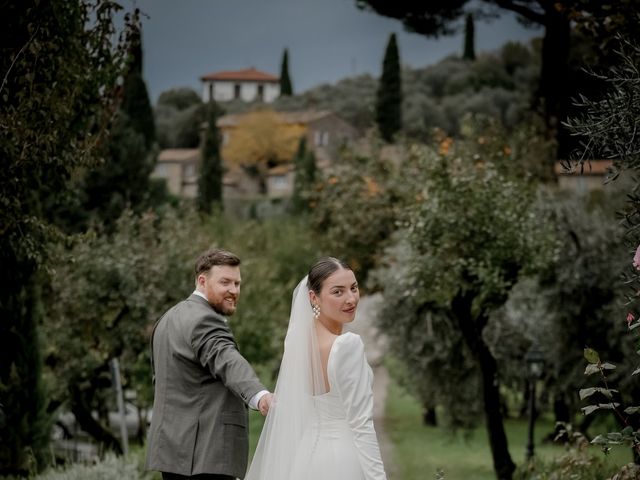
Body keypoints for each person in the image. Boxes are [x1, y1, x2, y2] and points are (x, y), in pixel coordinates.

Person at [245, 257, 387, 480]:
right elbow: (362, 426)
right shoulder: (347, 346)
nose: (351, 299)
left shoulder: (297, 342)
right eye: (338, 292)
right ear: (314, 297)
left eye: (354, 288)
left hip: (305, 460)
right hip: (342, 462)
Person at [146, 248, 273, 480]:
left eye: (237, 283)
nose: (234, 291)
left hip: (173, 453)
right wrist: (260, 395)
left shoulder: (166, 320)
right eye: (225, 282)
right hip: (207, 454)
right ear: (202, 281)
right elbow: (226, 359)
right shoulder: (205, 320)